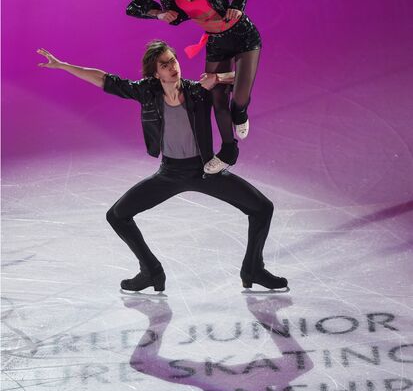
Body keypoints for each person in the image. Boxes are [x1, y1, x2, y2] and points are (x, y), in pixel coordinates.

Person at [37, 41, 287, 292]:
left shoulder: (197, 90)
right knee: (117, 215)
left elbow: (241, 78)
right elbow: (105, 80)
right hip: (170, 173)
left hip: (205, 171)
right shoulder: (147, 92)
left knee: (262, 208)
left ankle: (253, 268)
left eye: (173, 61)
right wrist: (63, 66)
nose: (172, 67)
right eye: (164, 65)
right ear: (156, 73)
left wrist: (217, 77)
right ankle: (151, 271)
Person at [126, 0, 262, 175]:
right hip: (215, 42)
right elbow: (133, 6)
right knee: (217, 97)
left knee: (238, 101)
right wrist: (158, 12)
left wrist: (237, 5)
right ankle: (228, 151)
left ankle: (241, 112)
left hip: (243, 35)